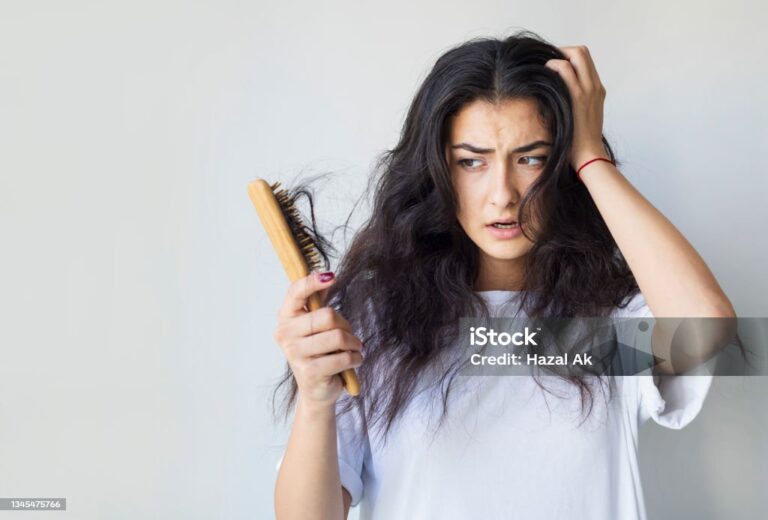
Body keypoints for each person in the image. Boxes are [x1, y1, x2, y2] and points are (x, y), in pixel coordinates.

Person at [271, 31, 736, 520]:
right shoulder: (372, 322)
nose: (503, 195)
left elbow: (707, 326)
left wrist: (590, 153)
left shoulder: (605, 327)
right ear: (436, 170)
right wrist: (315, 398)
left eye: (531, 158)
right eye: (472, 161)